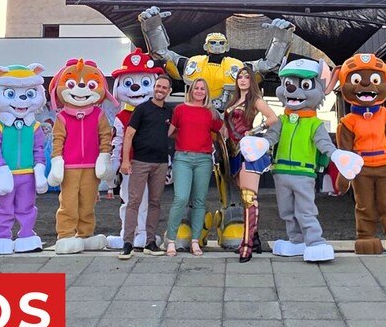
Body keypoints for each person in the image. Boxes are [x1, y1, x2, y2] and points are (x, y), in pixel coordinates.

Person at [164, 78, 223, 257]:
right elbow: (170, 132)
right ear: (191, 90)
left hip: (204, 159)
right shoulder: (180, 109)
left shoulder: (210, 112)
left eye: (202, 88)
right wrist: (184, 138)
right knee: (181, 198)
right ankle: (171, 240)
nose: (199, 91)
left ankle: (195, 240)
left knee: (199, 201)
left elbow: (222, 131)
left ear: (206, 92)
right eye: (196, 88)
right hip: (183, 157)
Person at [117, 75, 174, 259]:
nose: (160, 90)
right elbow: (128, 135)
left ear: (169, 91)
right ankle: (128, 243)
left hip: (161, 163)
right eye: (158, 86)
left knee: (155, 203)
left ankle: (150, 242)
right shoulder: (141, 109)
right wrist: (126, 161)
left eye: (164, 87)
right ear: (154, 87)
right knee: (133, 202)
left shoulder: (170, 112)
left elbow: (174, 133)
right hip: (140, 162)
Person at [224, 70, 278, 262]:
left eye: (247, 77)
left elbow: (273, 118)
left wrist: (254, 131)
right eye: (240, 77)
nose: (243, 80)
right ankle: (253, 239)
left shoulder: (255, 100)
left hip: (248, 151)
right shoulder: (233, 101)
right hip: (233, 152)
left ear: (252, 81)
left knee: (249, 197)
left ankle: (246, 245)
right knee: (245, 196)